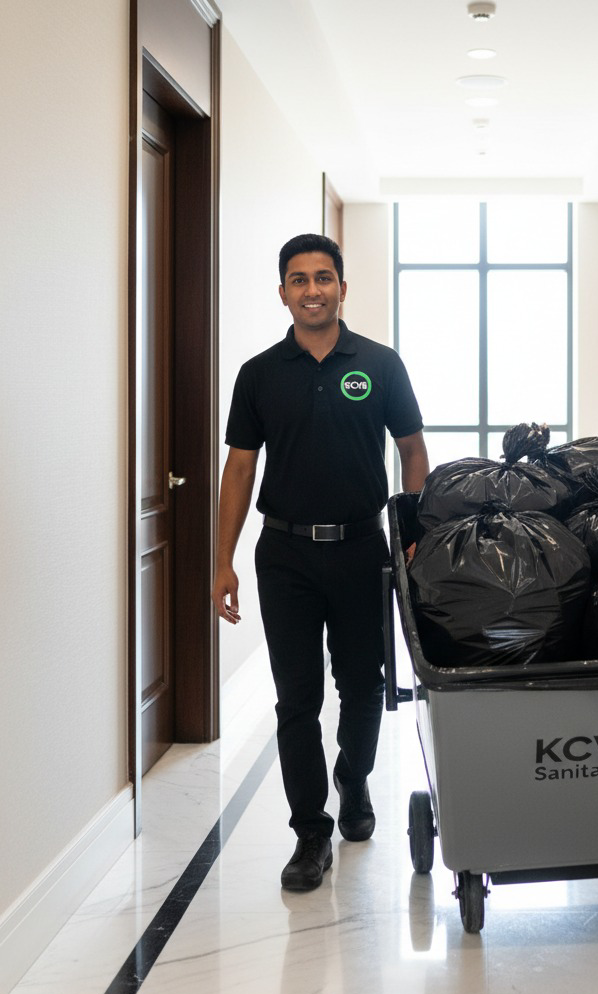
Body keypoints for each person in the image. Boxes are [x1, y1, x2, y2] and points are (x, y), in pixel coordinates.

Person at [212, 233, 429, 892]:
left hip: (364, 550)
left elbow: (414, 450)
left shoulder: (381, 364)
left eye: (324, 277)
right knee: (296, 699)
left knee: (364, 687)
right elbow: (240, 467)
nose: (313, 289)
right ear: (283, 292)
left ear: (342, 286)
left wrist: (413, 529)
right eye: (299, 279)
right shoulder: (259, 374)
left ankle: (354, 780)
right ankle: (310, 833)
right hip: (285, 556)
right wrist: (221, 560)